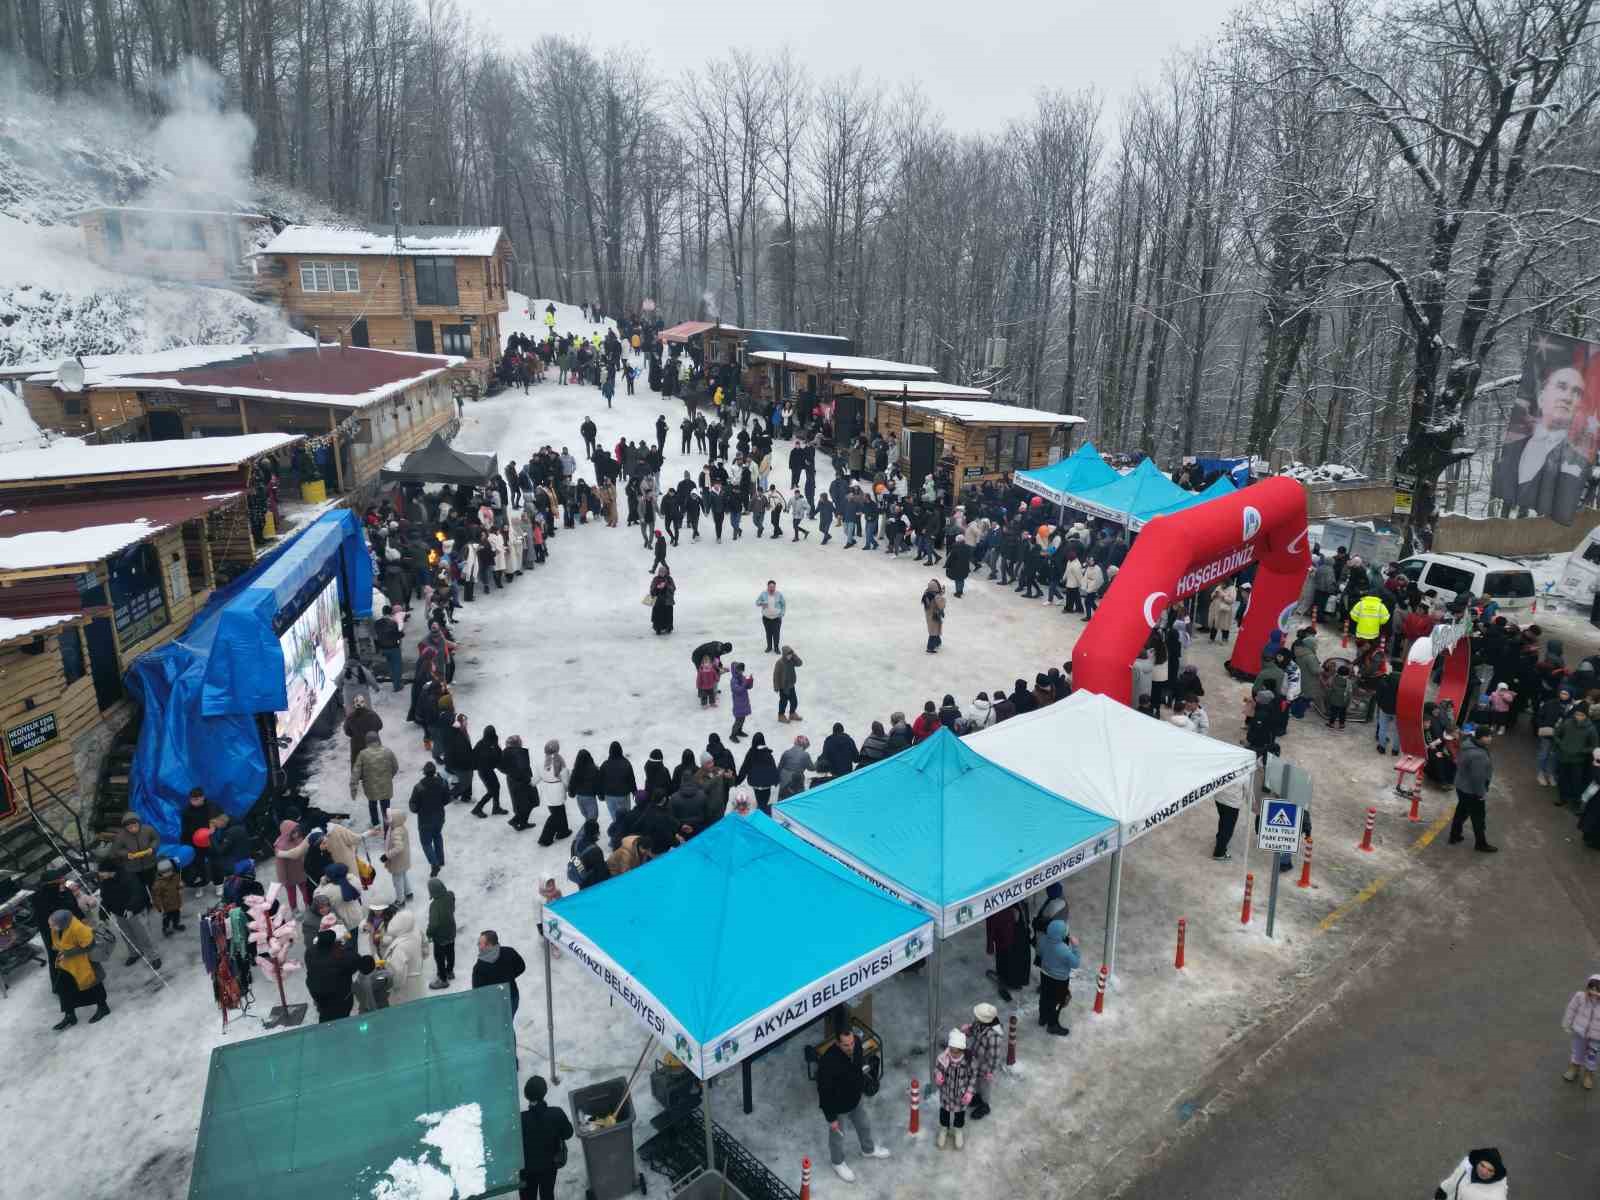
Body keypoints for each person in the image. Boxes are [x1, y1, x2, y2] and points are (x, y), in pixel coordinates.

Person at [1493, 338, 1589, 523]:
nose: (1568, 398)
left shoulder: (1576, 460)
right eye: (1561, 387)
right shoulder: (1513, 447)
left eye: (1577, 392)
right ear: (1542, 396)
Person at [816, 1022, 892, 1183]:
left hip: (855, 1100)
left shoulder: (856, 1044)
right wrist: (832, 1119)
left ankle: (868, 1150)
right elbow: (824, 1093)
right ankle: (837, 1162)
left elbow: (857, 1067)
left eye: (851, 1043)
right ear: (837, 1043)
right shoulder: (828, 1063)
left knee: (864, 1125)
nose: (850, 1047)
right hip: (838, 1107)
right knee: (837, 1137)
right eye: (846, 1045)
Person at [47, 910, 109, 1030]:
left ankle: (103, 1008)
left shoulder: (78, 928)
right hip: (68, 965)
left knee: (94, 984)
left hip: (85, 963)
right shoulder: (58, 928)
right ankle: (70, 1015)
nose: (51, 927)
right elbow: (57, 943)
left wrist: (68, 953)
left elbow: (89, 946)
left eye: (52, 924)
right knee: (64, 988)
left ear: (62, 922)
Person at [518, 1075, 574, 1200]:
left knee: (527, 1197)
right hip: (549, 1166)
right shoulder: (556, 1113)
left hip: (526, 1170)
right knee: (547, 1194)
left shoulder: (519, 1120)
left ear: (526, 1094)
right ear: (545, 1092)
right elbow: (568, 1134)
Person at [1448, 724, 1497, 852]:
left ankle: (1454, 835)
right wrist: (1481, 793)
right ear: (1480, 738)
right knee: (1478, 818)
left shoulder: (1468, 744)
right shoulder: (1478, 755)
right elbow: (1478, 778)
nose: (1490, 738)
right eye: (1488, 736)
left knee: (1461, 811)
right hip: (1472, 791)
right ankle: (1481, 844)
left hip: (1461, 786)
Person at [933, 1027, 977, 1149]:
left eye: (956, 1052)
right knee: (944, 1112)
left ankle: (958, 1130)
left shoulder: (969, 1061)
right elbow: (937, 1069)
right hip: (946, 1093)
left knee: (959, 1114)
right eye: (951, 1050)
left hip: (961, 1095)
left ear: (962, 1050)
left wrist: (969, 1091)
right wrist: (937, 1075)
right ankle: (944, 1129)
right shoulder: (943, 1058)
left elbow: (973, 1076)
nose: (953, 1054)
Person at [371, 903, 424, 1003]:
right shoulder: (415, 929)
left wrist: (392, 985)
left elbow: (398, 975)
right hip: (417, 975)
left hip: (406, 985)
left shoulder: (399, 947)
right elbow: (425, 949)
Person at [962, 1003, 1003, 1121]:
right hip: (976, 1060)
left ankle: (985, 1105)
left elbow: (995, 1056)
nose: (975, 1018)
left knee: (985, 1085)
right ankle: (978, 1097)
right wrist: (968, 1030)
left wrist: (991, 1071)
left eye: (977, 1016)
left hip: (985, 1066)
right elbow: (973, 1030)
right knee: (975, 1082)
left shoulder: (994, 1036)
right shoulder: (979, 1023)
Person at [1037, 918, 1078, 1036]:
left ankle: (1042, 1018)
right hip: (1059, 981)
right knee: (1057, 1002)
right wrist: (1075, 948)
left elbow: (1039, 952)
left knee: (1044, 997)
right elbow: (1075, 963)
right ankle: (1052, 1024)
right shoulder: (1063, 949)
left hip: (1045, 975)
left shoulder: (1043, 940)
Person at [471, 930, 527, 1016]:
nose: (478, 945)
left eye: (480, 943)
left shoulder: (479, 968)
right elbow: (521, 967)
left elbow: (478, 992)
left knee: (499, 1027)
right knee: (508, 1023)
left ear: (489, 945)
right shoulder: (509, 952)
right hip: (512, 997)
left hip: (493, 1005)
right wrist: (509, 977)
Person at [409, 762, 450, 877]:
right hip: (440, 817)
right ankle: (440, 859)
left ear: (424, 773)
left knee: (426, 843)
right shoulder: (442, 782)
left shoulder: (419, 786)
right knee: (437, 835)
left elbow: (413, 805)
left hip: (425, 820)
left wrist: (418, 810)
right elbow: (447, 798)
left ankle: (434, 864)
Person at [1553, 705, 1599, 808]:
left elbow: (1594, 746)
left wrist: (1581, 751)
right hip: (1564, 757)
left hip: (1578, 760)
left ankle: (1575, 801)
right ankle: (1562, 798)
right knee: (1562, 779)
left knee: (1576, 781)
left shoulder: (1591, 729)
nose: (1578, 717)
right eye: (1577, 714)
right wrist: (1561, 744)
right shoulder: (1567, 722)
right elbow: (1556, 734)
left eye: (1581, 715)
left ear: (1586, 716)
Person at [351, 730, 399, 828]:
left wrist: (353, 786)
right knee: (386, 806)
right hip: (386, 786)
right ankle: (387, 826)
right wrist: (390, 776)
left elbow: (356, 772)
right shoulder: (387, 751)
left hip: (370, 787)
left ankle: (376, 824)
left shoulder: (363, 754)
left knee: (372, 805)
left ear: (367, 741)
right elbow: (395, 767)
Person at [985, 900, 1031, 1002]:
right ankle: (1010, 981)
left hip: (1011, 937)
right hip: (1006, 938)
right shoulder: (999, 905)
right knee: (1007, 960)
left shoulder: (1018, 903)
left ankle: (1011, 981)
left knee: (1009, 960)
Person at [1562, 972, 1600, 1089]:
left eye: (1597, 990)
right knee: (1577, 1050)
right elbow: (1571, 1010)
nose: (1593, 992)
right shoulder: (1580, 997)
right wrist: (1567, 1023)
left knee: (1592, 1056)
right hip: (1580, 1032)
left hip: (1596, 1037)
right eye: (1591, 989)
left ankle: (1588, 1075)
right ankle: (1574, 1068)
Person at [1432, 1148, 1508, 1199]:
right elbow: (1455, 1178)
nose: (1484, 1172)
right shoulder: (1467, 1165)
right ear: (1477, 1162)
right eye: (1482, 1165)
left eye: (1490, 1170)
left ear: (1495, 1174)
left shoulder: (1496, 1196)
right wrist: (1443, 1189)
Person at [736, 732, 780, 813]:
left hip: (755, 783)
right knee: (765, 799)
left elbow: (744, 768)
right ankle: (763, 810)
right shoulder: (768, 754)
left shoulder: (751, 753)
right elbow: (773, 768)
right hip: (766, 784)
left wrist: (738, 780)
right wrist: (776, 780)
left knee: (759, 797)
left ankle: (760, 808)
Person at [426, 877, 456, 990]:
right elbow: (452, 907)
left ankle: (443, 980)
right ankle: (450, 971)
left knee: (439, 957)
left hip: (440, 936)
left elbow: (434, 924)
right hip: (451, 931)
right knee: (450, 952)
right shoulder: (450, 895)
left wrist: (429, 933)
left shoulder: (434, 906)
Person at [598, 741, 637, 829]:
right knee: (625, 815)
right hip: (623, 795)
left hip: (609, 796)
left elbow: (600, 781)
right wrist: (635, 793)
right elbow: (631, 780)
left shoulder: (605, 764)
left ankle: (617, 832)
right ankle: (625, 832)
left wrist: (600, 794)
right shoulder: (626, 763)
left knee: (615, 817)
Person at [774, 645, 803, 722]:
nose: (790, 656)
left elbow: (800, 663)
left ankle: (792, 713)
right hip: (783, 687)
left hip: (791, 685)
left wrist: (794, 656)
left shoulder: (792, 660)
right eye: (788, 654)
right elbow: (776, 675)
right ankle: (781, 715)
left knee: (794, 701)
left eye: (791, 654)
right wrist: (776, 686)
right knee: (783, 702)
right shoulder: (779, 663)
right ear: (784, 654)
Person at [757, 580, 785, 652]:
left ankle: (776, 648)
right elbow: (757, 602)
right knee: (768, 633)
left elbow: (783, 604)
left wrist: (782, 613)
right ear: (768, 587)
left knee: (776, 633)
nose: (772, 588)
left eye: (773, 587)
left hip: (776, 618)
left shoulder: (779, 594)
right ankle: (769, 647)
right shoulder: (763, 594)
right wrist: (762, 603)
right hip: (766, 618)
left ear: (775, 587)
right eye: (770, 587)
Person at [728, 661, 754, 742]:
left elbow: (747, 687)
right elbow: (738, 690)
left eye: (742, 670)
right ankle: (733, 735)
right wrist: (745, 683)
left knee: (742, 718)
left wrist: (750, 681)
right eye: (740, 670)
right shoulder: (733, 680)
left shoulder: (741, 677)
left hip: (744, 701)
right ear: (736, 670)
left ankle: (739, 731)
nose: (741, 672)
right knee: (738, 720)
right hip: (738, 703)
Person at [649, 565, 676, 635]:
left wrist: (667, 586)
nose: (662, 573)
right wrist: (657, 588)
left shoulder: (669, 579)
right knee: (658, 615)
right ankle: (658, 628)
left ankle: (668, 627)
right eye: (661, 572)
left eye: (664, 572)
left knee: (668, 615)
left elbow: (673, 588)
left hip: (667, 601)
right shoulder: (655, 579)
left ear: (666, 572)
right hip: (658, 601)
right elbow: (652, 588)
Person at [922, 578, 947, 654]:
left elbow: (937, 594)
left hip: (929, 616)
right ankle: (930, 648)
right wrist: (943, 599)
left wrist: (941, 591)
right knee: (933, 632)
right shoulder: (936, 596)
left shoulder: (927, 593)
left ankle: (938, 642)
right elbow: (942, 605)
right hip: (934, 615)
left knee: (934, 630)